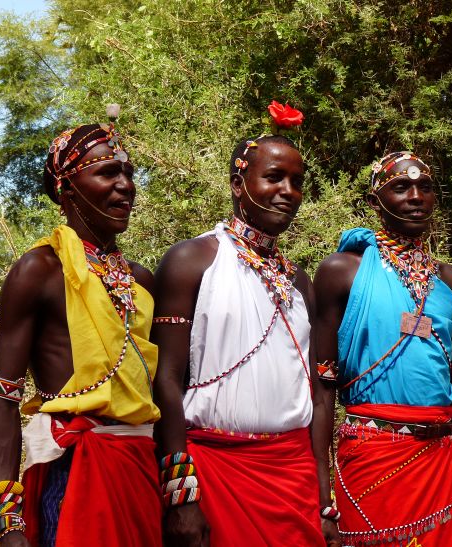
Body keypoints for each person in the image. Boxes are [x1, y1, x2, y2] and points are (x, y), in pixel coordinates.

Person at [152, 105, 339, 546]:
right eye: (274, 177)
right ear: (239, 184)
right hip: (214, 473)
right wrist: (180, 494)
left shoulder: (299, 282)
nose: (288, 191)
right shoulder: (193, 261)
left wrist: (323, 499)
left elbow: (316, 395)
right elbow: (164, 381)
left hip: (294, 477)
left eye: (297, 182)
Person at [0, 114, 162, 546]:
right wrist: (8, 519)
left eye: (129, 173)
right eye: (108, 172)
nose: (125, 185)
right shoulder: (39, 270)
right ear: (66, 189)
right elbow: (4, 396)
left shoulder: (142, 280)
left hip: (142, 469)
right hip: (72, 469)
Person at [313, 151, 452, 547]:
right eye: (400, 187)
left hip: (441, 467)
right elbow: (322, 391)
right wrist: (321, 497)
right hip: (370, 461)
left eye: (425, 187)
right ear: (375, 201)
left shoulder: (451, 282)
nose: (415, 196)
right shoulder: (342, 272)